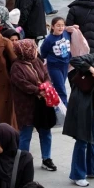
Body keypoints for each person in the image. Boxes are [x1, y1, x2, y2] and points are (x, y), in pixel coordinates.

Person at [10, 39, 56, 172]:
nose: (36, 50)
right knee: (26, 134)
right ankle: (23, 161)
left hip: (42, 104)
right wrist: (38, 90)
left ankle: (46, 159)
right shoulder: (16, 67)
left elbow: (46, 75)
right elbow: (22, 84)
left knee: (45, 131)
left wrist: (46, 86)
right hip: (27, 106)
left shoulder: (37, 61)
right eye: (33, 48)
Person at [64, 50, 94, 187]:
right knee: (82, 139)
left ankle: (93, 169)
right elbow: (74, 60)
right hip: (83, 104)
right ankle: (77, 174)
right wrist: (90, 68)